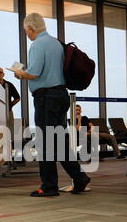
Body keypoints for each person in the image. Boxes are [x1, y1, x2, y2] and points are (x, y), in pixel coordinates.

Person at [14, 13, 91, 197]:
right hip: (61, 95)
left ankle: (49, 186)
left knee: (45, 141)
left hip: (46, 97)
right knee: (60, 140)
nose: (26, 34)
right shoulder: (56, 43)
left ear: (31, 28)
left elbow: (34, 73)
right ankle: (79, 177)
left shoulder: (37, 45)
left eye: (26, 31)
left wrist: (20, 73)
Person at [0, 67, 20, 135]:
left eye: (0, 72)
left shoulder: (9, 85)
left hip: (8, 112)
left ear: (3, 74)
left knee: (9, 130)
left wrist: (9, 105)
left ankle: (9, 144)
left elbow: (17, 98)